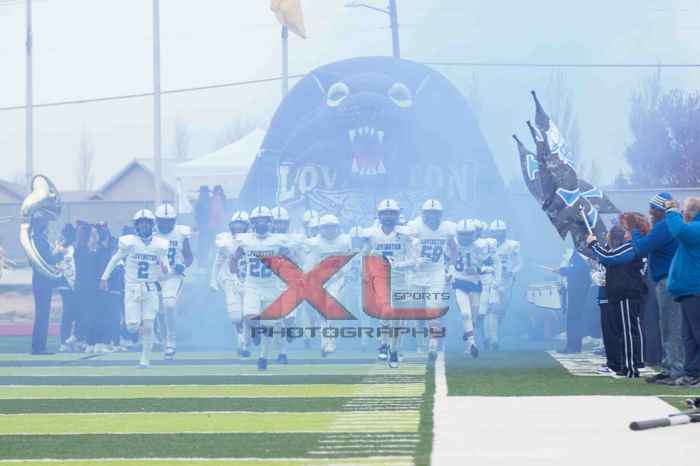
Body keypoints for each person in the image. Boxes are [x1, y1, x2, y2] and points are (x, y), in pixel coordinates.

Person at [100, 210, 169, 368]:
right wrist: (104, 277)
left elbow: (166, 268)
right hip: (132, 288)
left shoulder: (159, 245)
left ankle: (145, 360)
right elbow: (114, 259)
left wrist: (166, 269)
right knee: (132, 326)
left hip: (151, 288)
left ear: (152, 225)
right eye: (141, 223)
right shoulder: (129, 243)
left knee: (149, 325)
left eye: (146, 224)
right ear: (136, 226)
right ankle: (138, 335)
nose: (144, 226)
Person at [628, 193, 683, 384]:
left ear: (661, 210)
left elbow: (641, 248)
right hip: (668, 279)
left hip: (668, 280)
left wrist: (634, 230)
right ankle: (669, 367)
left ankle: (675, 370)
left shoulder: (664, 225)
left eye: (653, 208)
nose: (650, 212)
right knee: (668, 326)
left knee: (671, 327)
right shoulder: (667, 224)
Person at [230, 206, 292, 370]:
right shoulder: (245, 240)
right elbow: (234, 259)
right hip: (253, 285)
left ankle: (263, 357)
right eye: (258, 221)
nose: (261, 224)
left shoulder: (279, 240)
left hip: (272, 286)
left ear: (270, 222)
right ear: (252, 223)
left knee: (269, 326)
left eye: (264, 221)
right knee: (250, 318)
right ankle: (255, 333)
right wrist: (235, 277)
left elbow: (290, 259)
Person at [357, 199, 416, 367]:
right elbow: (365, 255)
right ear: (379, 215)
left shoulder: (405, 235)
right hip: (380, 278)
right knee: (386, 310)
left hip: (399, 279)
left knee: (397, 318)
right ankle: (383, 343)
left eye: (392, 213)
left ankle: (394, 350)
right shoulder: (372, 234)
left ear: (397, 215)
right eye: (385, 213)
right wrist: (366, 273)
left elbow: (413, 260)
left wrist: (398, 265)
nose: (388, 216)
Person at [588, 223, 648, 378]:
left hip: (626, 294)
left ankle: (630, 367)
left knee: (628, 331)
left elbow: (609, 258)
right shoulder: (626, 248)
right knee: (627, 330)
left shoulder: (628, 247)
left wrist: (594, 244)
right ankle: (630, 364)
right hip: (623, 294)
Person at [406, 200, 456, 360]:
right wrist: (414, 259)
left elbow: (454, 248)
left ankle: (433, 344)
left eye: (435, 213)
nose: (432, 216)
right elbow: (405, 246)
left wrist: (451, 267)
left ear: (440, 215)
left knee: (433, 310)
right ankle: (421, 342)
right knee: (418, 314)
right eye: (429, 213)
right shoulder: (415, 227)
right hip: (416, 274)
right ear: (423, 214)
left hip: (436, 274)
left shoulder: (446, 228)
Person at [305, 214, 353, 358]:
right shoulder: (313, 243)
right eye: (326, 227)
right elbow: (309, 262)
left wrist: (345, 272)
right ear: (320, 229)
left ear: (338, 227)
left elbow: (349, 258)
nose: (330, 230)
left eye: (332, 227)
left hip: (338, 279)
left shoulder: (345, 240)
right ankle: (326, 343)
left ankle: (329, 342)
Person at [665, 197, 700, 387]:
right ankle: (692, 373)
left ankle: (694, 373)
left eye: (683, 211)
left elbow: (679, 230)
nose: (682, 214)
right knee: (689, 336)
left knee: (695, 334)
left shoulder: (696, 228)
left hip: (695, 290)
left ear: (690, 212)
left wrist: (671, 211)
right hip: (690, 291)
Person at [154, 203, 193, 360]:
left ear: (174, 220)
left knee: (169, 305)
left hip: (173, 275)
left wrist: (183, 265)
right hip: (155, 277)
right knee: (159, 311)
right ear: (157, 220)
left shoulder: (180, 233)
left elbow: (189, 256)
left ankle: (171, 340)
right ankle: (165, 340)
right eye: (162, 221)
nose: (165, 224)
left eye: (168, 221)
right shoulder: (151, 233)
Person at [450, 218, 494, 358]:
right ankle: (472, 344)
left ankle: (469, 333)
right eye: (462, 234)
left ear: (474, 234)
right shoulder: (451, 244)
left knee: (474, 316)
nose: (465, 237)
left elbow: (491, 266)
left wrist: (478, 269)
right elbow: (445, 263)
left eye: (468, 234)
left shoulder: (481, 246)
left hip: (475, 283)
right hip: (459, 282)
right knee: (465, 314)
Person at [211, 211, 251, 357]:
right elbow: (218, 262)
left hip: (249, 281)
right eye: (236, 225)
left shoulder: (254, 240)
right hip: (229, 280)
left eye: (241, 226)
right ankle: (241, 341)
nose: (238, 228)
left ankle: (245, 342)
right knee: (235, 315)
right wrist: (213, 280)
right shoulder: (225, 240)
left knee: (249, 314)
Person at [484, 219, 521, 351]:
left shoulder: (512, 245)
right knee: (492, 308)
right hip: (491, 280)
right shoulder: (485, 245)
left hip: (506, 282)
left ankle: (489, 335)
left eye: (501, 232)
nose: (498, 235)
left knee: (501, 310)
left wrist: (512, 272)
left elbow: (519, 263)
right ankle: (492, 338)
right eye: (496, 232)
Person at [28, 214, 64, 355]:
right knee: (42, 315)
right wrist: (60, 254)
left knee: (42, 314)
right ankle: (39, 347)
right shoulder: (39, 241)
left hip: (39, 280)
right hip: (42, 281)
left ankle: (38, 346)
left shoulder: (35, 240)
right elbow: (49, 259)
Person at [557, 249, 592, 354]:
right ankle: (572, 346)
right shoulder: (577, 256)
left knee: (574, 318)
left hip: (578, 291)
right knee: (573, 318)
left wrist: (564, 271)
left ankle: (573, 347)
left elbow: (580, 270)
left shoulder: (580, 256)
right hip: (575, 290)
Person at [56, 224, 77, 352]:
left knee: (69, 314)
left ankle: (67, 340)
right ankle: (65, 342)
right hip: (67, 284)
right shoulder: (66, 249)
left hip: (66, 284)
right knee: (69, 314)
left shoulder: (64, 248)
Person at [194, 186, 212, 268]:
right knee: (203, 245)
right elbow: (197, 216)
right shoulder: (200, 203)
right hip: (204, 227)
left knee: (205, 245)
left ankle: (203, 262)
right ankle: (202, 262)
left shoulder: (205, 203)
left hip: (206, 227)